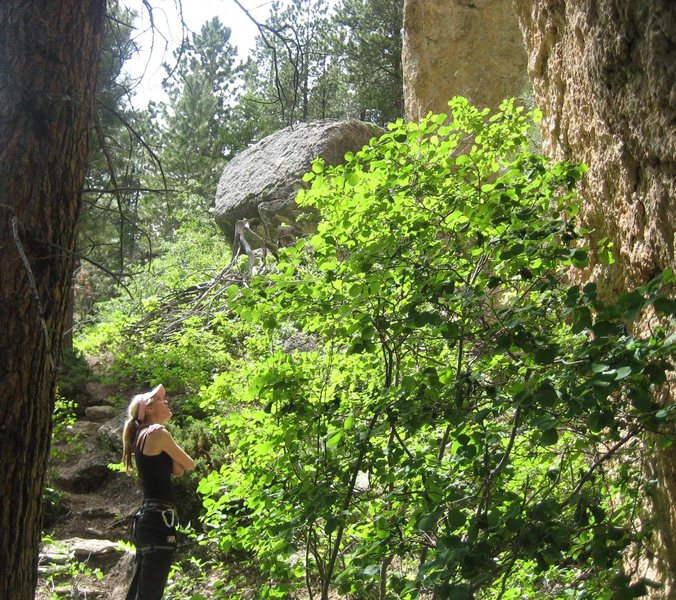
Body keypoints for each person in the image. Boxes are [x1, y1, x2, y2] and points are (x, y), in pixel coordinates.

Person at [121, 383, 195, 600]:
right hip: (158, 521)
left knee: (140, 591)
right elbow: (189, 465)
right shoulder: (158, 434)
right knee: (150, 594)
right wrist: (165, 436)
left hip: (148, 520)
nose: (167, 402)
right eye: (161, 400)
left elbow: (177, 470)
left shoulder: (144, 435)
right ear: (150, 409)